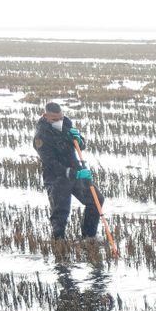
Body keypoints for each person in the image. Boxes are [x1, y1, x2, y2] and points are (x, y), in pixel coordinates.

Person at [33, 101, 102, 240]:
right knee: (60, 213)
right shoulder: (40, 136)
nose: (59, 121)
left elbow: (80, 146)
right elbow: (51, 163)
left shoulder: (66, 124)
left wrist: (79, 140)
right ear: (45, 116)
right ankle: (59, 244)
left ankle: (89, 237)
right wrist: (73, 173)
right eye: (54, 119)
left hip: (76, 171)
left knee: (96, 200)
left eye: (60, 118)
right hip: (56, 178)